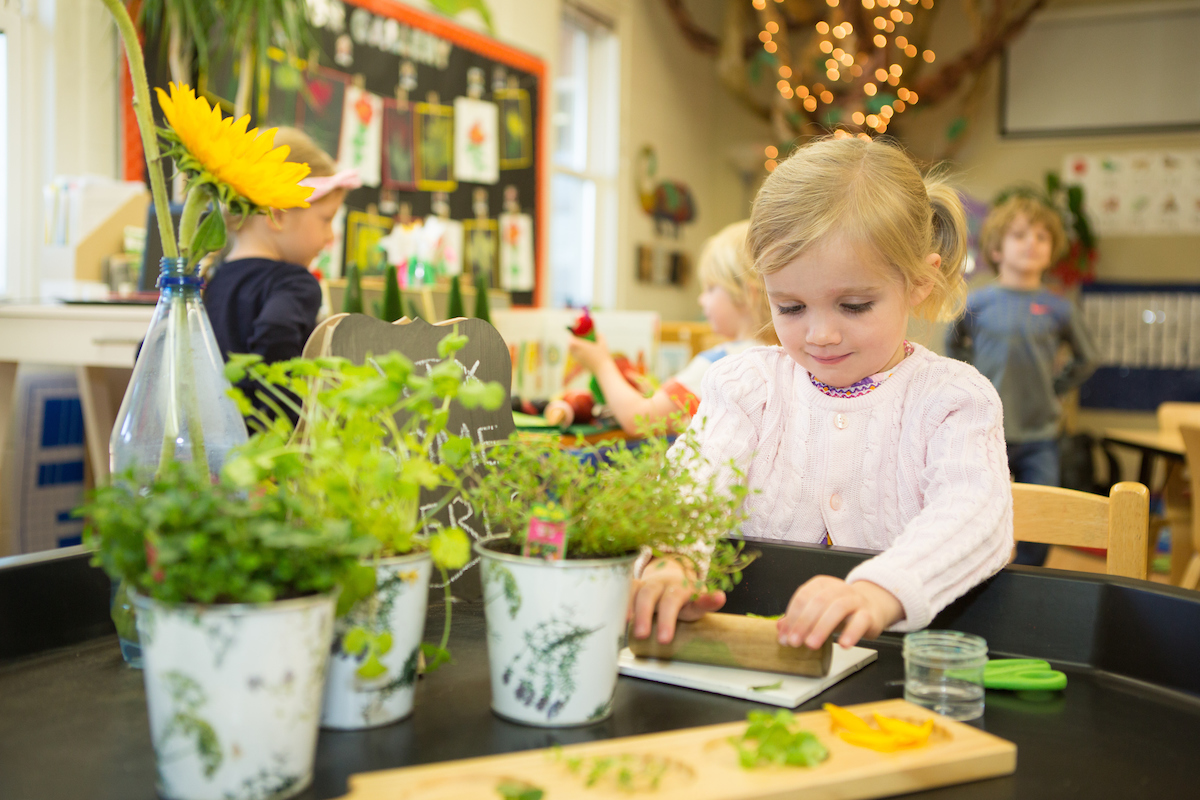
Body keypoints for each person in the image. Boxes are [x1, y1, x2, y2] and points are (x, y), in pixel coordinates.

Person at [629, 136, 1013, 652]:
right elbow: (690, 489)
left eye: (853, 305)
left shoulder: (953, 399)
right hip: (755, 646)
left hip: (892, 659)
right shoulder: (748, 388)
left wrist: (880, 592)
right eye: (790, 307)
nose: (819, 334)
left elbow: (976, 514)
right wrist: (672, 561)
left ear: (920, 282)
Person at [946, 195, 1098, 567]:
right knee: (977, 510)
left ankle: (1029, 578)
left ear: (1052, 251)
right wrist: (973, 386)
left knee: (1041, 517)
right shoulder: (976, 302)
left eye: (1041, 237)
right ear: (997, 249)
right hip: (984, 430)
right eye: (1019, 235)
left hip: (1039, 435)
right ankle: (978, 572)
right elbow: (953, 348)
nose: (1031, 242)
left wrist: (1054, 390)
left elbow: (1088, 358)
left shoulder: (1060, 307)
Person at [567, 220, 779, 435]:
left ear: (747, 295)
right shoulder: (781, 360)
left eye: (710, 288)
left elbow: (639, 419)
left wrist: (601, 365)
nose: (701, 299)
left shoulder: (721, 364)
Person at [205, 127, 360, 369]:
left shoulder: (211, 281)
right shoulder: (294, 284)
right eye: (326, 220)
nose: (331, 237)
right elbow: (275, 333)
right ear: (277, 215)